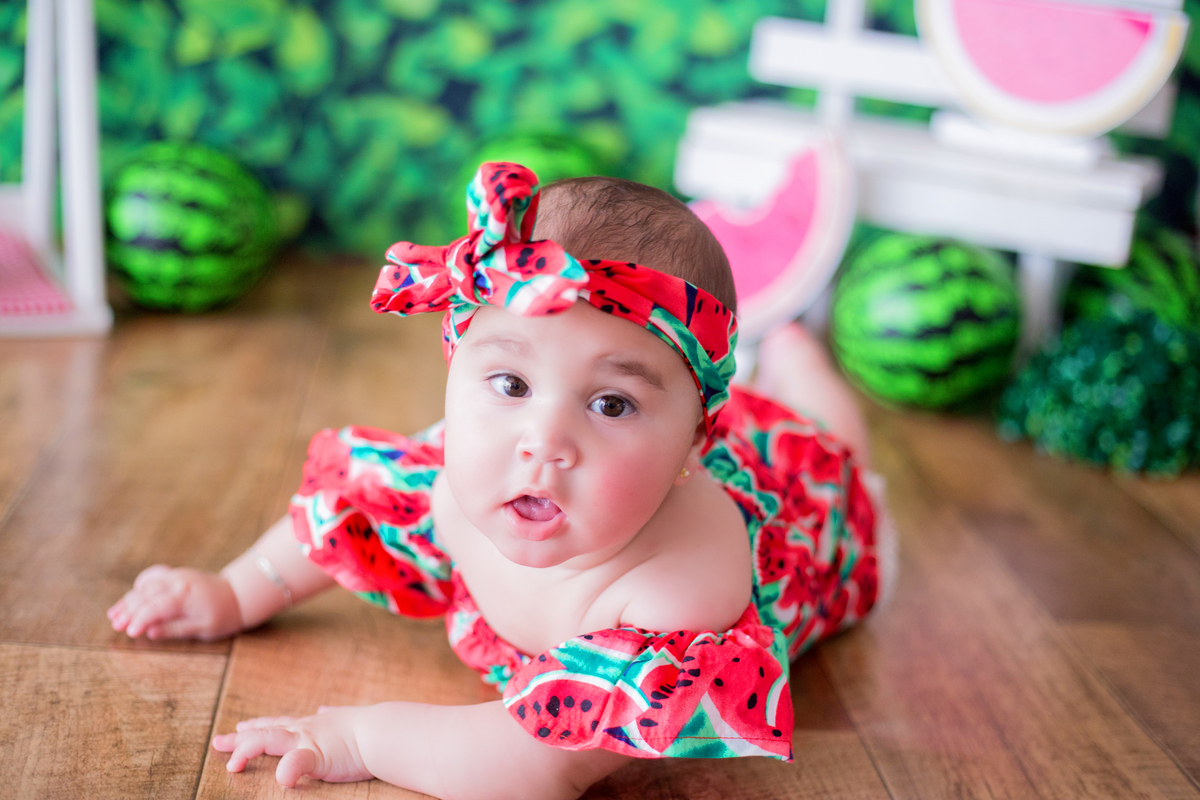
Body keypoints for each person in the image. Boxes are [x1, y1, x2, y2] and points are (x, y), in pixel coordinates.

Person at [107, 162, 896, 799]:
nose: (543, 444)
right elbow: (349, 513)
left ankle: (796, 355)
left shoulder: (674, 598)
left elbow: (534, 761)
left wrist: (356, 736)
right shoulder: (460, 469)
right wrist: (240, 591)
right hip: (693, 452)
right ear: (456, 360)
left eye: (611, 403)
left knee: (830, 442)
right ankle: (752, 360)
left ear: (695, 432)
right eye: (512, 385)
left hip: (811, 505)